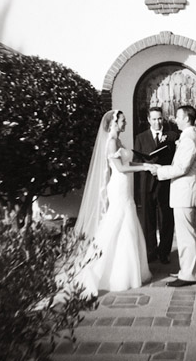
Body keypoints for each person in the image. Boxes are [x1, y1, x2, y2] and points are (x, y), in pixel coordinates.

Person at [68, 109, 152, 295]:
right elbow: (121, 168)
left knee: (126, 224)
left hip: (125, 186)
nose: (125, 124)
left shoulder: (118, 141)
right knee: (118, 223)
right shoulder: (112, 143)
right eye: (123, 121)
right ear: (113, 123)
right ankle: (102, 270)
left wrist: (146, 165)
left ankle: (125, 270)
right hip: (118, 186)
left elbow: (128, 165)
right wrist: (144, 168)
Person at [148, 105, 196, 287]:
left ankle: (187, 275)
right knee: (189, 233)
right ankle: (189, 270)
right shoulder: (190, 136)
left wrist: (159, 171)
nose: (174, 119)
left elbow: (181, 168)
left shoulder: (188, 139)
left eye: (178, 116)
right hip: (186, 192)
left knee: (186, 235)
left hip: (185, 193)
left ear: (186, 118)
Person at [134, 106, 178, 264]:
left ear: (163, 119)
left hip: (165, 184)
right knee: (148, 219)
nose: (157, 122)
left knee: (166, 219)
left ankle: (164, 252)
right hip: (147, 184)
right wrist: (148, 167)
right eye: (153, 119)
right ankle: (151, 251)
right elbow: (137, 161)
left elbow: (176, 159)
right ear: (148, 120)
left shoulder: (171, 136)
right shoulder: (140, 137)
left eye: (159, 118)